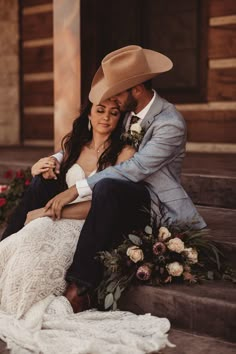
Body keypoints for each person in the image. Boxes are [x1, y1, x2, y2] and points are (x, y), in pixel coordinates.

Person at [0, 98, 171, 354]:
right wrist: (43, 169)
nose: (106, 117)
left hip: (89, 224)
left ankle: (76, 287)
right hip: (60, 215)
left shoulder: (124, 152)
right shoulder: (73, 146)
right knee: (34, 226)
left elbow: (103, 205)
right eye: (100, 111)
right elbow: (55, 174)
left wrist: (50, 213)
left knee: (40, 230)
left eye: (113, 113)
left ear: (119, 120)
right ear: (88, 115)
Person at [42, 45, 207, 310]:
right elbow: (91, 138)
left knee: (107, 187)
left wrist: (75, 190)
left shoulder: (169, 122)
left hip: (152, 204)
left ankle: (81, 286)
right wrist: (56, 159)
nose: (111, 99)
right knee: (45, 179)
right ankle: (10, 242)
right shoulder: (127, 111)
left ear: (137, 88)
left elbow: (136, 168)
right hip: (118, 196)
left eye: (116, 91)